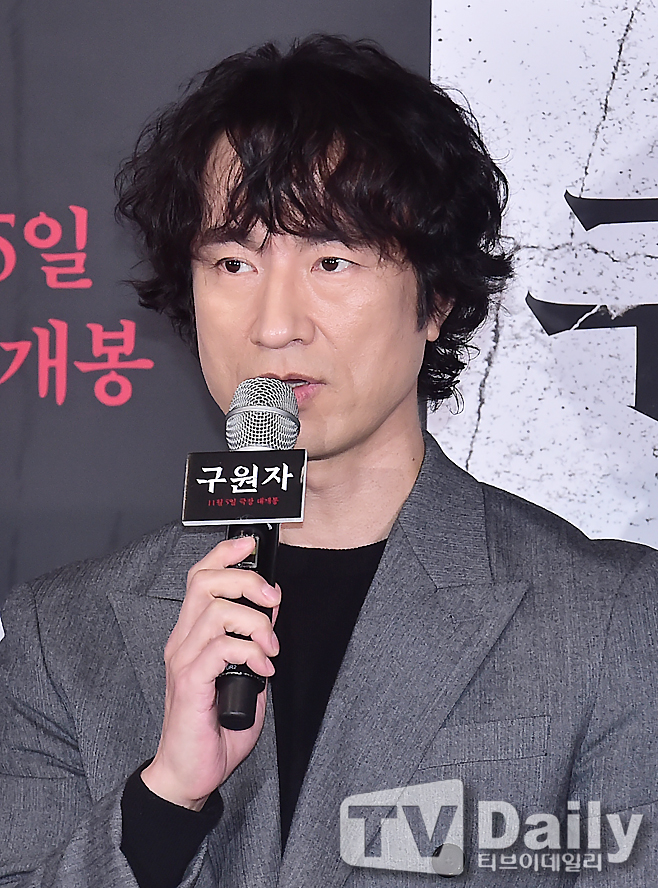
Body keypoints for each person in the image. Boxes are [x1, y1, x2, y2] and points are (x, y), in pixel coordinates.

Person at [0, 34, 656, 888]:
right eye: (233, 262)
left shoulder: (606, 619)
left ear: (437, 297)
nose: (275, 325)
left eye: (332, 259)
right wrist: (165, 799)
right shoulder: (59, 635)